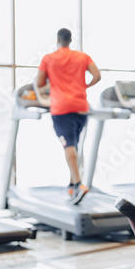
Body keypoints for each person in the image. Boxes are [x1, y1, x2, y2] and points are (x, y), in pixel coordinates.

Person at [36, 28, 101, 205]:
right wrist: (84, 86)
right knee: (74, 144)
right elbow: (97, 76)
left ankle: (79, 184)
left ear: (58, 40)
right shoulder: (82, 56)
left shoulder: (49, 59)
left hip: (61, 107)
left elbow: (39, 83)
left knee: (69, 144)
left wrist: (53, 82)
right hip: (80, 106)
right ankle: (72, 183)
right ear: (70, 40)